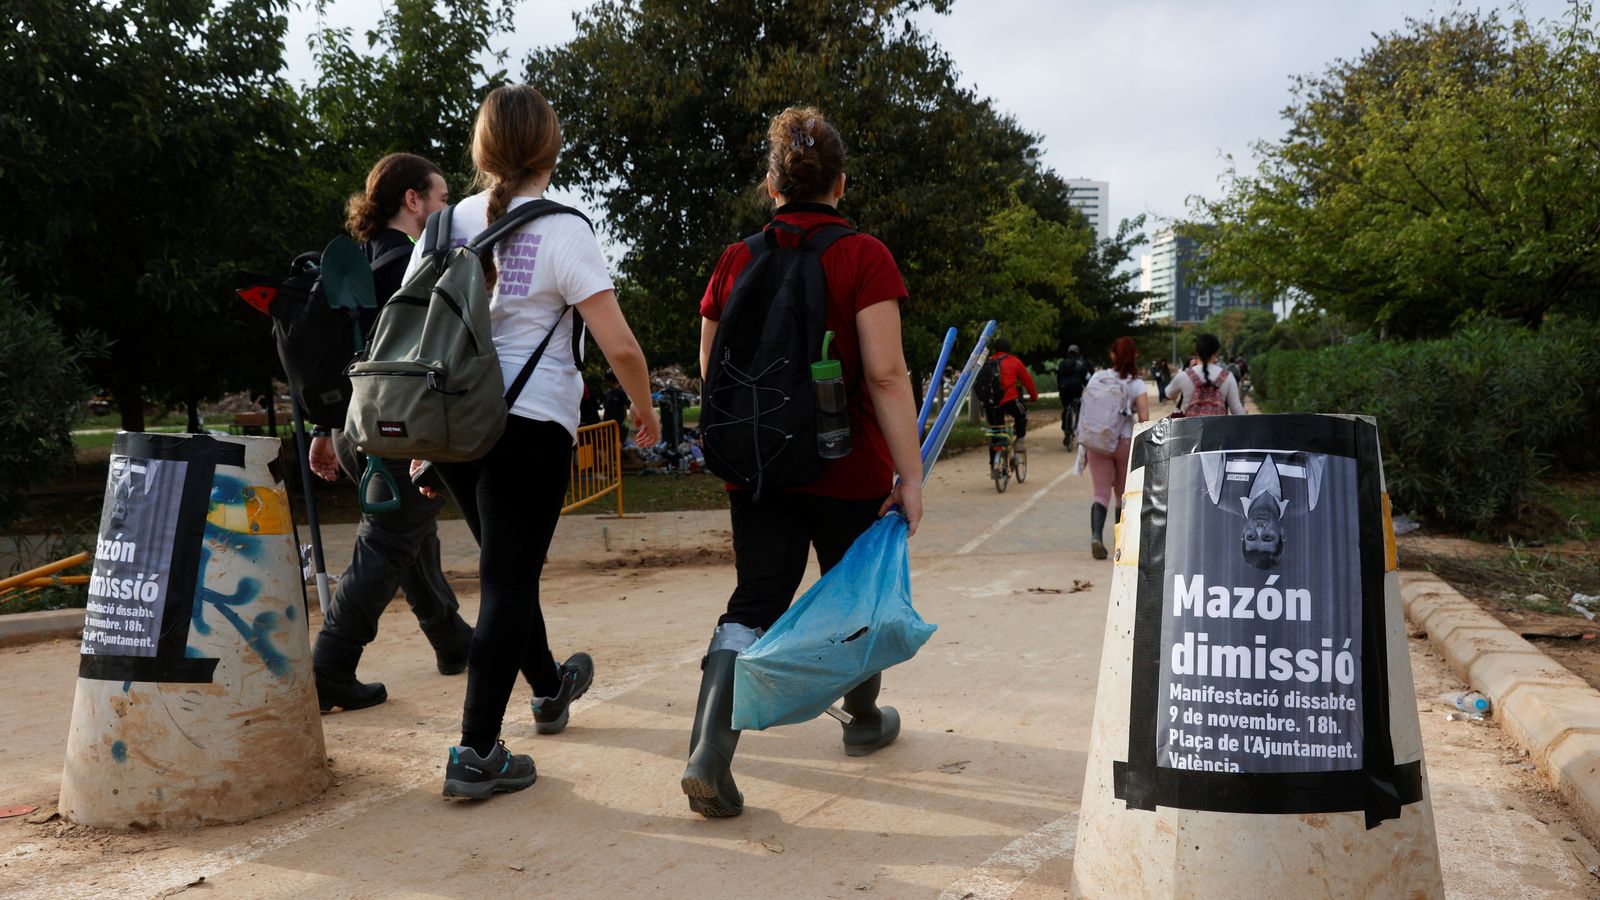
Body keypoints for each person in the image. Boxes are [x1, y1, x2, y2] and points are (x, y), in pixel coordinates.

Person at [412, 85, 662, 800]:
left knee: (507, 564)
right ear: (549, 150)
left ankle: (550, 689)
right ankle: (476, 751)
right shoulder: (564, 228)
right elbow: (620, 345)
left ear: (483, 150)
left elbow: (409, 329)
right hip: (529, 424)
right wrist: (643, 411)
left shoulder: (440, 225)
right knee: (509, 580)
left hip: (454, 427)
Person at [685, 105, 923, 819]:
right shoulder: (863, 256)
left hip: (755, 462)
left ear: (772, 185)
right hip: (843, 464)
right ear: (840, 185)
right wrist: (909, 477)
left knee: (754, 602)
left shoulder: (736, 257)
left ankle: (709, 752)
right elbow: (886, 375)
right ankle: (862, 718)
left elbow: (709, 365)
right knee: (856, 597)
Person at [306, 152, 474, 713]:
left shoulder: (359, 265)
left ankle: (452, 641)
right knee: (389, 541)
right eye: (442, 196)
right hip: (399, 433)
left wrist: (325, 427)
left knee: (411, 537)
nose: (447, 206)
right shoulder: (412, 266)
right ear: (413, 200)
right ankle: (331, 663)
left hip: (356, 430)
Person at [1084, 337, 1148, 559]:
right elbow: (1144, 417)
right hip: (1124, 442)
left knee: (1100, 494)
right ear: (1134, 356)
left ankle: (1096, 537)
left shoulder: (1098, 378)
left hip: (1098, 442)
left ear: (1112, 355)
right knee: (1122, 495)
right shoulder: (1137, 384)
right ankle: (1120, 544)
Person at [983, 337, 1038, 471]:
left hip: (992, 404)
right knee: (1021, 414)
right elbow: (1027, 381)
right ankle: (1019, 440)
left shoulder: (988, 362)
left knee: (996, 432)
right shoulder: (1014, 361)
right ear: (1009, 349)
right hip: (1010, 400)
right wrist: (1033, 397)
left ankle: (994, 465)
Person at [1166, 333, 1245, 416]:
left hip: (1191, 428)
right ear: (1216, 352)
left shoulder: (1184, 376)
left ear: (1196, 351)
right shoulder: (1227, 376)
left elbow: (1168, 394)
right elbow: (1236, 410)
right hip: (1219, 428)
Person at [1056, 344, 1091, 446]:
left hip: (1064, 388)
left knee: (1066, 408)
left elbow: (1059, 377)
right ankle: (1076, 428)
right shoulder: (1082, 363)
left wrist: (1060, 387)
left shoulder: (1062, 363)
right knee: (1079, 407)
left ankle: (1066, 429)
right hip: (1076, 388)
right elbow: (1085, 380)